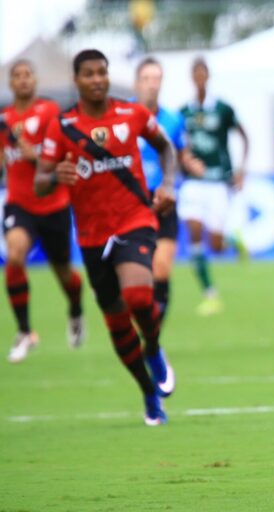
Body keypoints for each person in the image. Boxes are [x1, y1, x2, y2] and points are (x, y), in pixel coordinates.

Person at [35, 49, 176, 425]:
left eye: (102, 72)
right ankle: (148, 392)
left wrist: (168, 184)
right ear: (76, 80)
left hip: (135, 219)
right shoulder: (62, 126)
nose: (97, 79)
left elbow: (165, 147)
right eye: (89, 73)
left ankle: (153, 347)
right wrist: (54, 176)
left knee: (138, 295)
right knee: (116, 320)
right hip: (92, 236)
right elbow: (40, 181)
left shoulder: (132, 113)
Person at [0, 59, 84, 363]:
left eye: (28, 74)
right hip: (19, 205)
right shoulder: (4, 120)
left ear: (35, 80)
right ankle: (25, 331)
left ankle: (75, 309)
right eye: (17, 76)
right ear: (10, 83)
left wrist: (34, 157)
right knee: (15, 256)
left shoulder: (49, 112)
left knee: (64, 274)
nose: (23, 80)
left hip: (53, 205)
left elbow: (63, 160)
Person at [179, 57, 250, 316]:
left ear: (208, 76)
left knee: (216, 246)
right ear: (191, 77)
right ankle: (210, 294)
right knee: (194, 230)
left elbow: (244, 135)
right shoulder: (183, 112)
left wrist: (241, 170)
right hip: (193, 183)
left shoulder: (222, 109)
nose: (199, 78)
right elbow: (177, 144)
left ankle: (232, 240)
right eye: (195, 74)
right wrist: (185, 160)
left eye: (203, 73)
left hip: (219, 181)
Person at [133, 57, 187, 325]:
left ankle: (153, 337)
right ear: (137, 83)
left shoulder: (174, 119)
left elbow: (181, 155)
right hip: (131, 203)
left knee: (161, 269)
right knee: (135, 277)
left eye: (156, 79)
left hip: (164, 199)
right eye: (147, 79)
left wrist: (192, 165)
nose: (152, 84)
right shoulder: (122, 118)